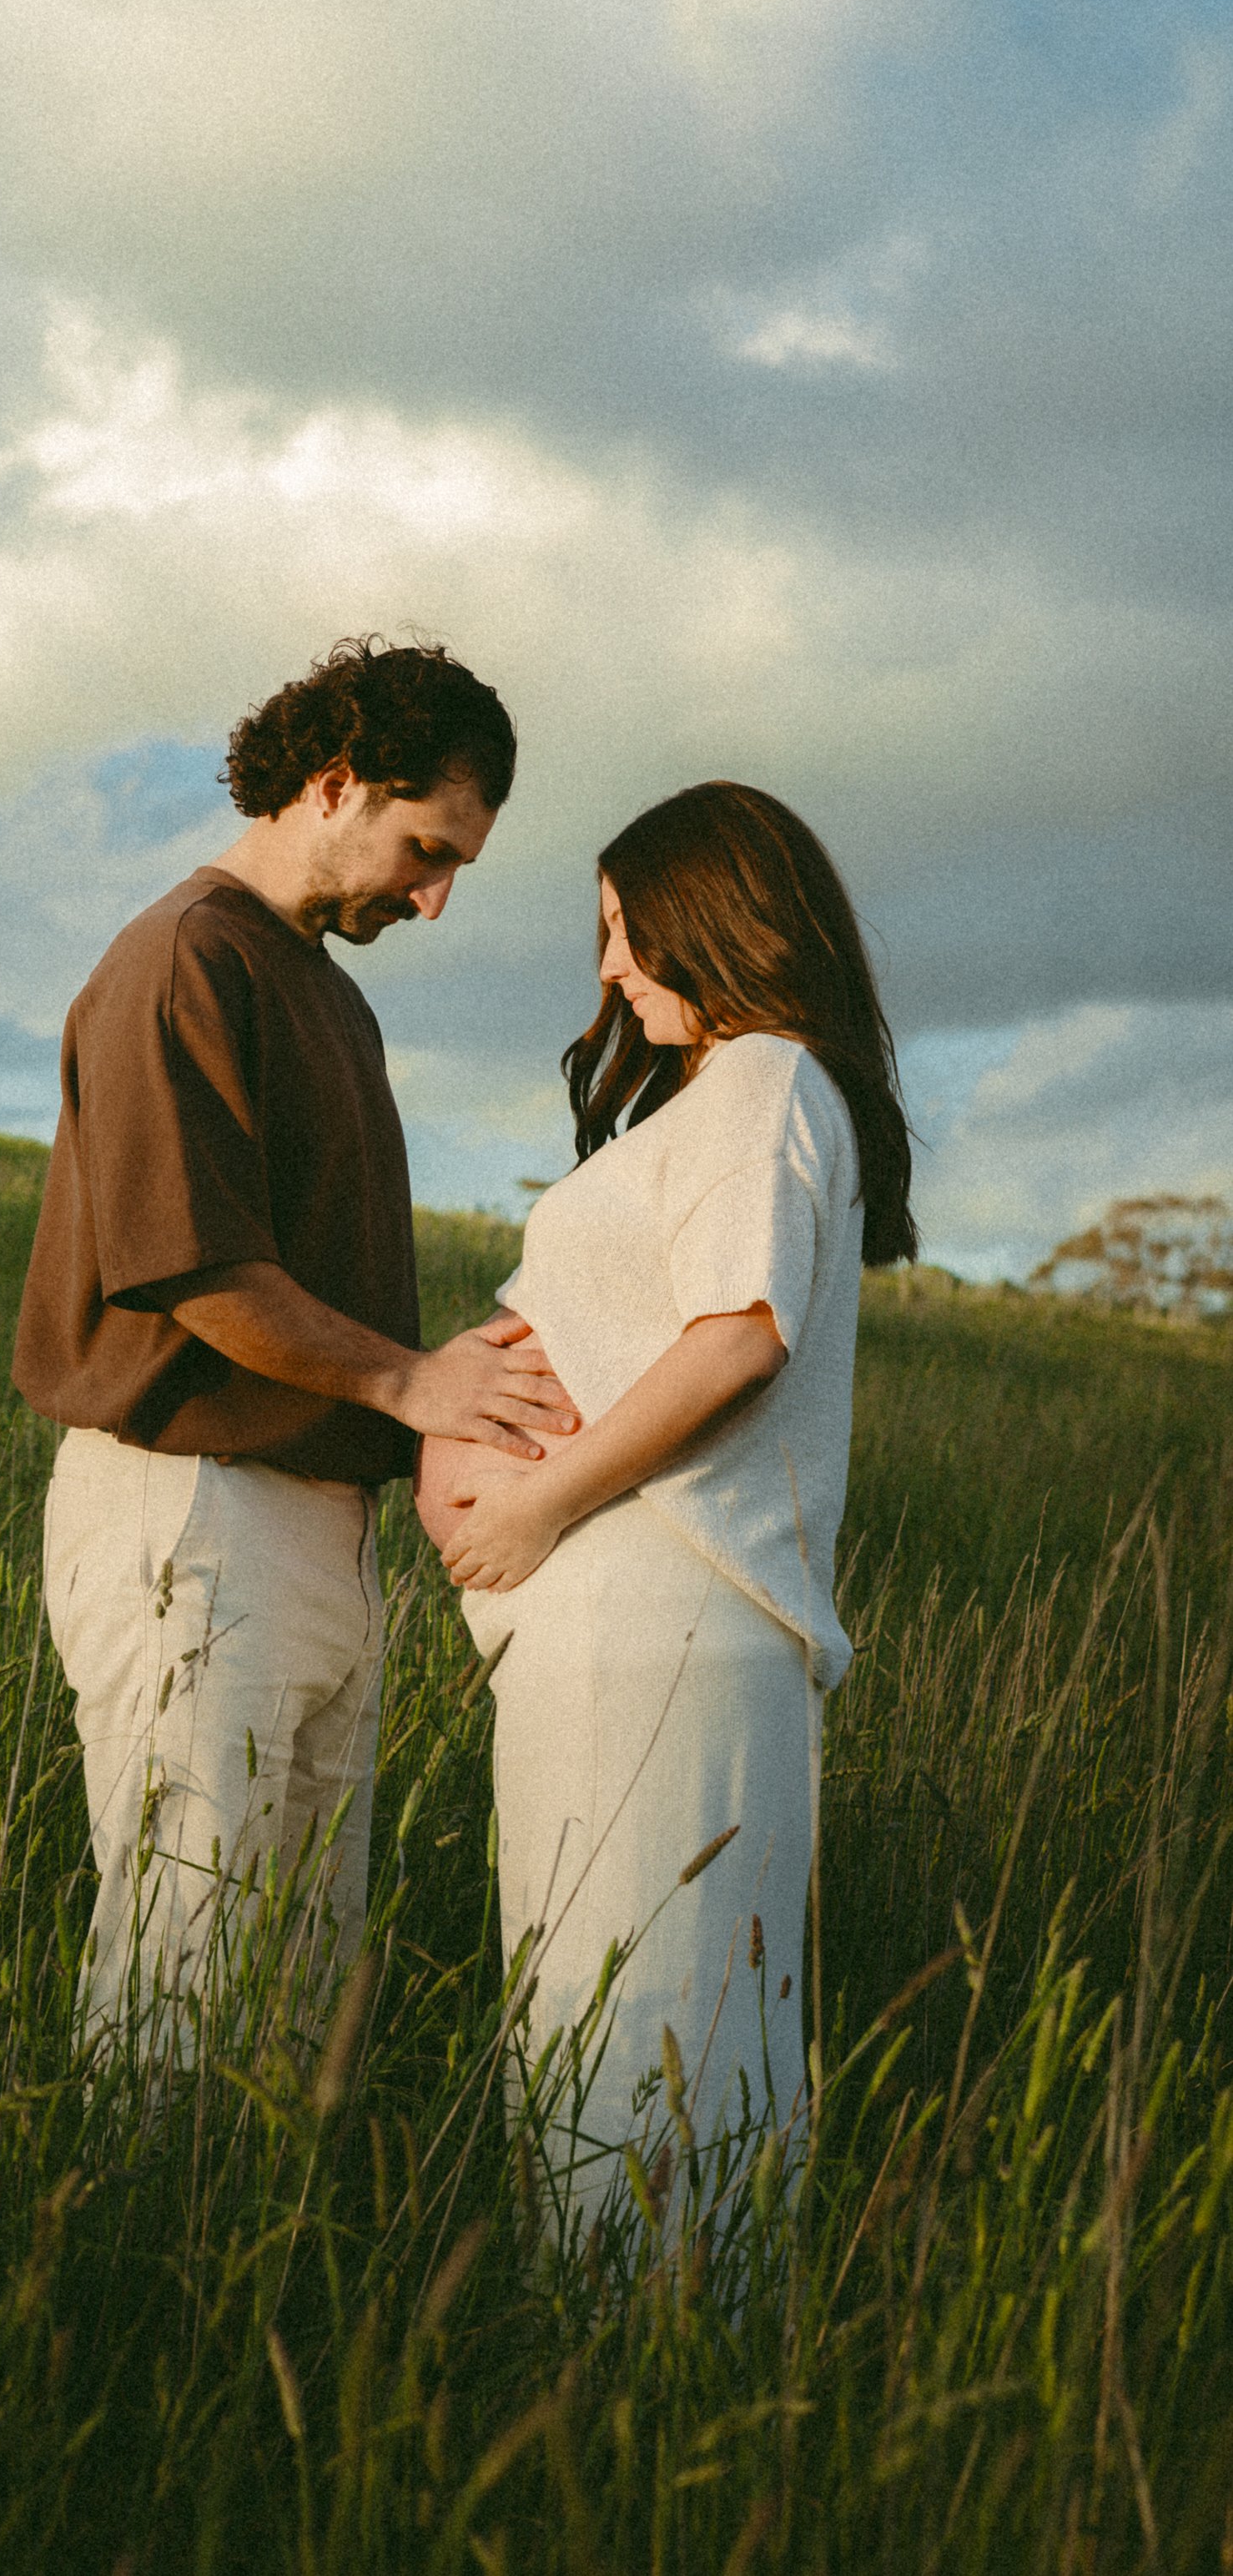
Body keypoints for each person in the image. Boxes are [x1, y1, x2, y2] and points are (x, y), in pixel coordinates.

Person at [14, 637, 577, 2061]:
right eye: (424, 847)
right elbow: (192, 1269)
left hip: (318, 1528)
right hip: (192, 1509)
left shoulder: (328, 992)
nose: (435, 898)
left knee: (300, 1994)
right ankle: (136, 2274)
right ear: (331, 783)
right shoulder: (183, 960)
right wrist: (409, 1379)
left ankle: (252, 2272)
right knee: (183, 1973)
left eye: (458, 867)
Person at [417, 781, 916, 2226]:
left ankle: (654, 2370)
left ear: (714, 916)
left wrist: (529, 1508)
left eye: (626, 930)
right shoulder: (735, 1094)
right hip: (621, 1632)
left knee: (649, 2019)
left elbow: (738, 1333)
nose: (610, 970)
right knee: (597, 2007)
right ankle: (633, 2368)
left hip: (659, 1620)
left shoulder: (764, 1082)